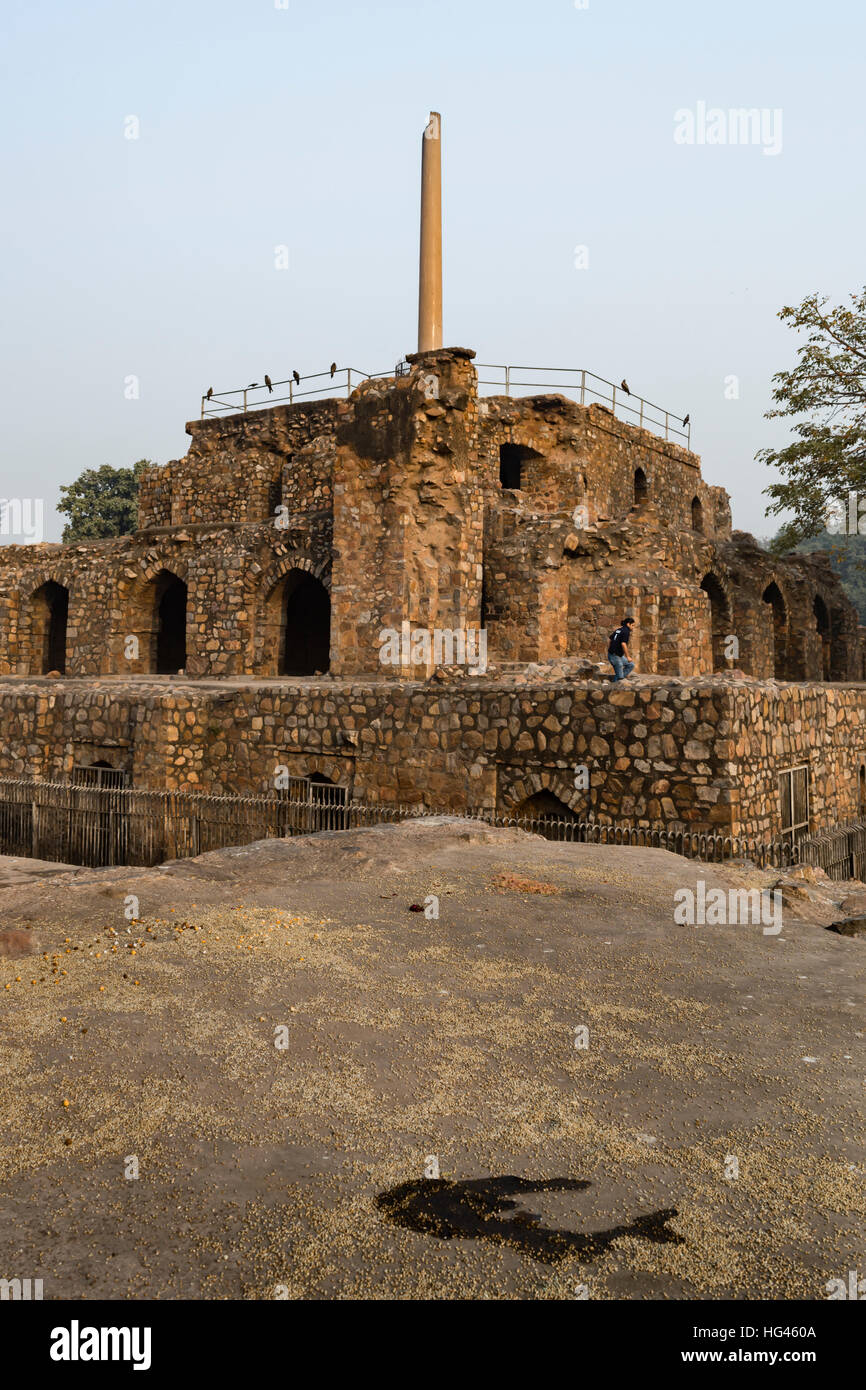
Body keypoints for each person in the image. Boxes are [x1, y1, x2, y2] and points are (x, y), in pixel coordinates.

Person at [608, 617, 636, 682]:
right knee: (620, 678)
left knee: (631, 665)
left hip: (617, 655)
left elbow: (610, 639)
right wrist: (628, 656)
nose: (633, 627)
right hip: (614, 656)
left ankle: (617, 679)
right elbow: (623, 644)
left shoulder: (619, 629)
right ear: (628, 624)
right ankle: (615, 685)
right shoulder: (626, 631)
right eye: (632, 625)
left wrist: (610, 648)